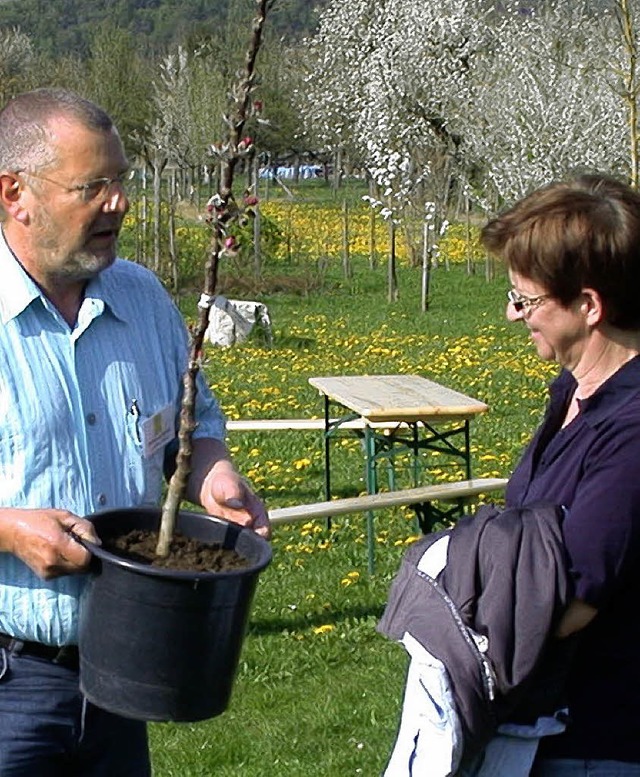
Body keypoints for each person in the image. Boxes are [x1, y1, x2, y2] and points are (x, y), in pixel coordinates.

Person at [0, 88, 269, 775]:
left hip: (122, 669)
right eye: (95, 186)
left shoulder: (143, 300)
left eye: (123, 182)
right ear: (15, 193)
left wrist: (213, 470)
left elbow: (194, 421)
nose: (119, 203)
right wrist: (8, 529)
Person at [479, 173, 640, 776]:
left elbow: (569, 599)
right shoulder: (573, 392)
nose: (512, 314)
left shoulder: (631, 428)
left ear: (589, 306)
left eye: (525, 299)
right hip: (539, 724)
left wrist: (452, 597)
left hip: (597, 742)